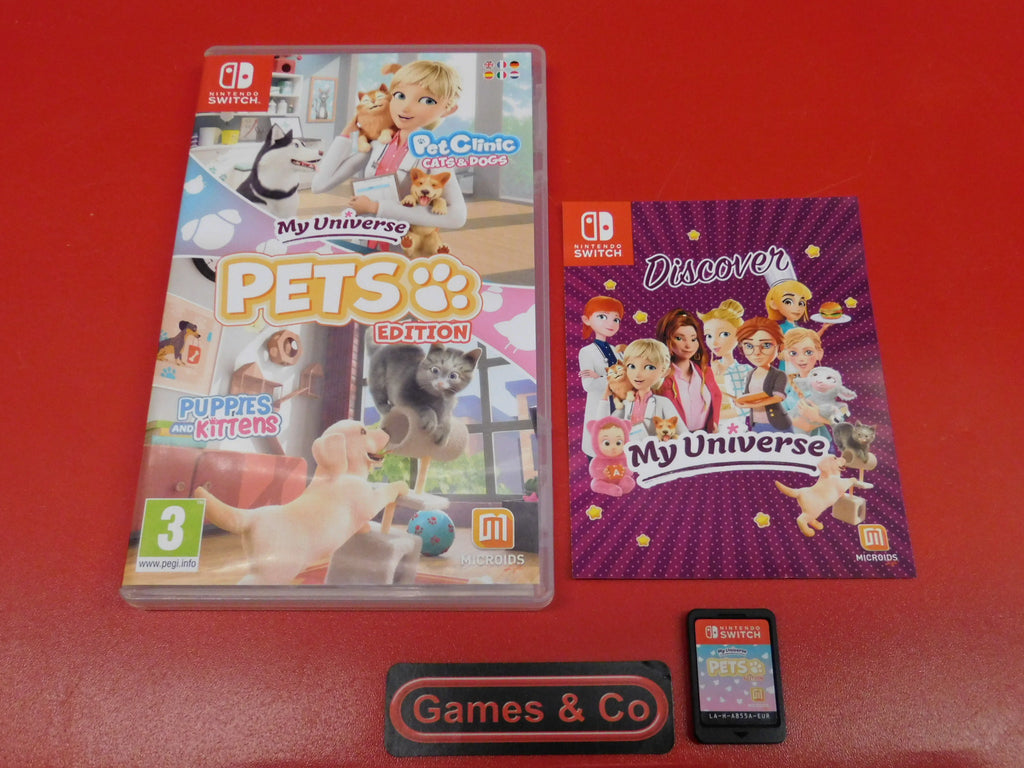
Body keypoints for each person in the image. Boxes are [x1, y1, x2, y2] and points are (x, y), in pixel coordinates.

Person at [312, 60, 467, 239]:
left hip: (402, 241)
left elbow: (457, 216)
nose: (406, 107)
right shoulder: (379, 144)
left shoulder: (434, 154)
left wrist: (377, 208)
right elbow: (319, 185)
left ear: (448, 110)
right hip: (365, 234)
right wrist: (346, 133)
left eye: (427, 100)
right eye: (400, 96)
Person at [654, 308, 721, 433]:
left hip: (706, 436)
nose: (688, 345)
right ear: (667, 340)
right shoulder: (660, 376)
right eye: (679, 338)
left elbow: (716, 397)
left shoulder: (705, 372)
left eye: (693, 339)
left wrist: (714, 423)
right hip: (674, 438)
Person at [578, 296, 624, 456]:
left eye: (616, 319)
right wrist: (614, 379)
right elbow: (589, 385)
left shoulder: (618, 351)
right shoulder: (586, 352)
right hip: (599, 406)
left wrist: (601, 377)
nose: (610, 323)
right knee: (598, 452)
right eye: (602, 316)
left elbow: (627, 379)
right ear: (587, 320)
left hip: (619, 407)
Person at [614, 339, 682, 439]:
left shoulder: (663, 403)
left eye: (649, 367)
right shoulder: (626, 403)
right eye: (631, 366)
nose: (637, 374)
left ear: (664, 372)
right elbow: (608, 424)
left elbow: (683, 434)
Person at [699, 300, 750, 432]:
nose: (714, 342)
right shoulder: (706, 371)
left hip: (735, 430)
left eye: (724, 334)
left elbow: (748, 407)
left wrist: (715, 416)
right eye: (709, 335)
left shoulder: (744, 371)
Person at [735, 317, 792, 432]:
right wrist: (741, 400)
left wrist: (751, 404)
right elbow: (748, 395)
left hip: (777, 424)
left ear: (780, 346)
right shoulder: (750, 374)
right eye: (749, 346)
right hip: (756, 424)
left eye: (766, 345)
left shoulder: (778, 374)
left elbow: (778, 397)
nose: (757, 352)